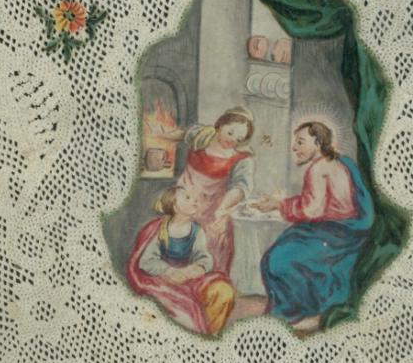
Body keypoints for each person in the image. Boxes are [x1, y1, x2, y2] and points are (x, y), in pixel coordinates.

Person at [250, 121, 374, 333]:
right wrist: (280, 203)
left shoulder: (318, 169)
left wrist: (280, 205)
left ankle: (294, 315)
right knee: (287, 246)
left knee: (276, 259)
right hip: (349, 232)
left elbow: (312, 210)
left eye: (300, 142)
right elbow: (322, 204)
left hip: (333, 234)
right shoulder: (341, 162)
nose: (294, 147)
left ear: (318, 143)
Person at [125, 181, 236, 335]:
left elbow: (204, 257)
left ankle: (209, 337)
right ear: (176, 206)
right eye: (188, 198)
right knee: (177, 312)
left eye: (194, 198)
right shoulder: (159, 229)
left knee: (224, 291)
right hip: (164, 281)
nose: (195, 200)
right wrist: (168, 271)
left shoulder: (196, 230)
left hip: (191, 279)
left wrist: (196, 269)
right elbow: (146, 261)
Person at [163, 108, 255, 276]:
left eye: (239, 139)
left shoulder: (242, 160)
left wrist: (222, 208)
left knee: (209, 258)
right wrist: (160, 135)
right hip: (183, 207)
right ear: (219, 125)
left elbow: (240, 188)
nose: (232, 140)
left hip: (212, 215)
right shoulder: (201, 136)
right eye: (230, 132)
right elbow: (181, 134)